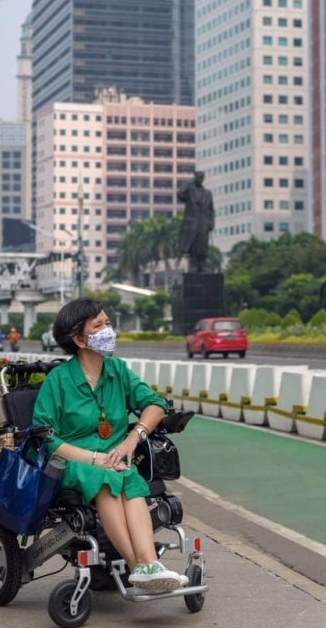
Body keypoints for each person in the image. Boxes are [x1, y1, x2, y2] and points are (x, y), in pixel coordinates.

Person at [32, 298, 188, 594]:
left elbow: (155, 404)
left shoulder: (117, 370)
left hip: (115, 460)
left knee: (129, 477)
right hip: (70, 460)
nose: (109, 330)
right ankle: (136, 567)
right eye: (99, 326)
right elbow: (47, 438)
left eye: (108, 323)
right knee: (107, 476)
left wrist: (133, 438)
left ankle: (149, 565)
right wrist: (94, 458)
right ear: (79, 339)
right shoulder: (59, 380)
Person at [177, 170, 215, 272]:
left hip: (203, 223)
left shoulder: (208, 193)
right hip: (192, 222)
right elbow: (179, 194)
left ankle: (202, 265)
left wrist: (211, 223)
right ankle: (193, 266)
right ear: (194, 178)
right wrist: (189, 183)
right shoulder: (190, 192)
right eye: (197, 177)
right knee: (193, 245)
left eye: (201, 177)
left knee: (203, 245)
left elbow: (211, 210)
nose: (199, 179)